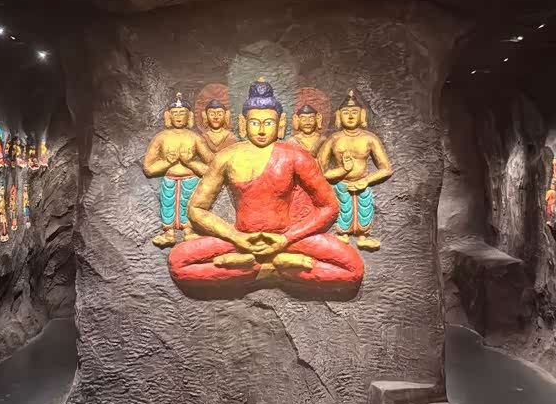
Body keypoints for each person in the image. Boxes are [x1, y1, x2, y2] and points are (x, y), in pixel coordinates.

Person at [168, 79, 363, 290]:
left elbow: (329, 206)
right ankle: (267, 267)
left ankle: (261, 266)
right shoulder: (227, 157)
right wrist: (235, 237)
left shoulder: (296, 157)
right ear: (243, 123)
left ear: (281, 124)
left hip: (288, 238)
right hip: (242, 238)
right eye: (255, 123)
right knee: (178, 263)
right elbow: (196, 209)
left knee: (353, 270)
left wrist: (286, 238)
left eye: (268, 123)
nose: (261, 130)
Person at [317, 89, 392, 251]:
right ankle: (342, 234)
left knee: (364, 210)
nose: (350, 116)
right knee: (344, 209)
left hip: (363, 184)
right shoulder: (334, 139)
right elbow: (321, 170)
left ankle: (363, 237)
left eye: (354, 112)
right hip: (341, 184)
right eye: (346, 113)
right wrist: (343, 171)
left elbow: (386, 169)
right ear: (339, 116)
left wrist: (366, 181)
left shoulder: (369, 139)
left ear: (362, 115)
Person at [142, 92, 212, 248]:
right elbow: (148, 168)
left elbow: (212, 168)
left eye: (182, 113)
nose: (179, 117)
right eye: (175, 113)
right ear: (169, 116)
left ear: (189, 116)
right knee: (168, 204)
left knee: (189, 205)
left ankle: (189, 231)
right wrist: (167, 162)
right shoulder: (161, 137)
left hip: (191, 180)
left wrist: (191, 162)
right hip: (170, 179)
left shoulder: (195, 138)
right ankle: (169, 233)